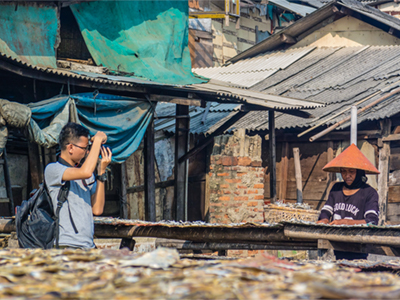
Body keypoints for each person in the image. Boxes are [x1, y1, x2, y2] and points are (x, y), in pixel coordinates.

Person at [44, 122, 112, 249]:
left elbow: (97, 209)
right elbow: (85, 172)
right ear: (70, 148)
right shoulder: (53, 170)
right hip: (67, 246)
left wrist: (101, 173)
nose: (86, 152)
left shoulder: (86, 177)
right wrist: (97, 141)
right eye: (84, 148)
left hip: (88, 246)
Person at [317, 143, 379, 260]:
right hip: (337, 245)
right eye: (344, 171)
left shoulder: (369, 192)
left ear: (359, 172)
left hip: (359, 246)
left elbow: (372, 222)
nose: (347, 175)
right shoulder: (336, 188)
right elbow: (327, 209)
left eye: (351, 172)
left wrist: (345, 222)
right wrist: (324, 219)